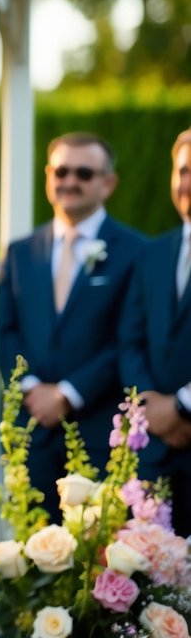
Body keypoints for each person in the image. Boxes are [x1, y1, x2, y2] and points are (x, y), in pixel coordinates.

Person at [0, 132, 145, 521]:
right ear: (48, 176)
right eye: (61, 171)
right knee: (31, 546)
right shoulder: (19, 252)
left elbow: (129, 338)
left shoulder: (136, 252)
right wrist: (31, 388)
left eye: (84, 173)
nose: (70, 181)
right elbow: (5, 330)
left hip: (99, 430)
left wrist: (67, 393)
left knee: (100, 548)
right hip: (31, 430)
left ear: (107, 183)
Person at [120, 128, 191, 535]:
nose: (187, 182)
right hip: (155, 454)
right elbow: (130, 340)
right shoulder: (153, 252)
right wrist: (150, 405)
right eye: (183, 171)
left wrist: (181, 406)